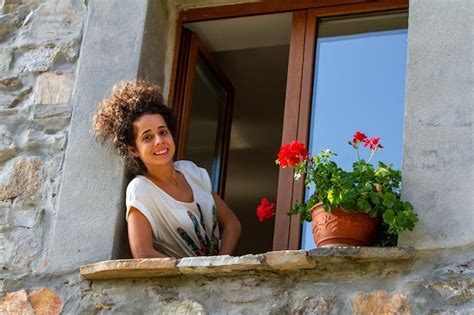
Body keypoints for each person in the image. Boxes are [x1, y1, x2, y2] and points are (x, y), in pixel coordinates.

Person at [92, 80, 241, 258]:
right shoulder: (141, 189)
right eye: (147, 137)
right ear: (133, 150)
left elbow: (232, 224)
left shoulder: (191, 171)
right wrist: (193, 274)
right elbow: (142, 253)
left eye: (163, 132)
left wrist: (218, 266)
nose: (159, 141)